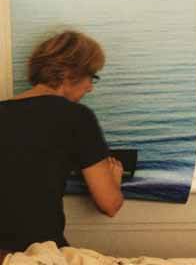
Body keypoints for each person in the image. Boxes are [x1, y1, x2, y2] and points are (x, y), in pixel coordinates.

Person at [0, 30, 124, 255]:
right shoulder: (77, 117)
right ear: (69, 73)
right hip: (38, 254)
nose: (90, 87)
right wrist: (114, 178)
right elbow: (110, 204)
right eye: (91, 77)